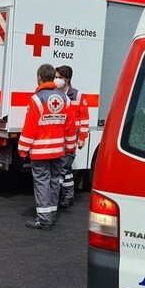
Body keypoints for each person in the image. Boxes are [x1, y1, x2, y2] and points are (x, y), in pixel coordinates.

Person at [18, 64, 76, 230]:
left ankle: (44, 219)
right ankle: (51, 214)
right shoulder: (65, 98)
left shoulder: (37, 99)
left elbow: (30, 128)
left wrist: (22, 149)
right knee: (54, 182)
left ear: (39, 78)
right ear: (53, 78)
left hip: (40, 152)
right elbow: (70, 127)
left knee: (42, 183)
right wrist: (70, 148)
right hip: (58, 151)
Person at [55, 65, 89, 208]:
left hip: (71, 138)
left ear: (67, 79)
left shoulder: (77, 95)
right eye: (56, 77)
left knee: (62, 168)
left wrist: (82, 137)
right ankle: (68, 196)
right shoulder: (55, 94)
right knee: (67, 168)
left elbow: (84, 118)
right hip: (57, 137)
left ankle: (55, 197)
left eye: (59, 77)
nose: (57, 80)